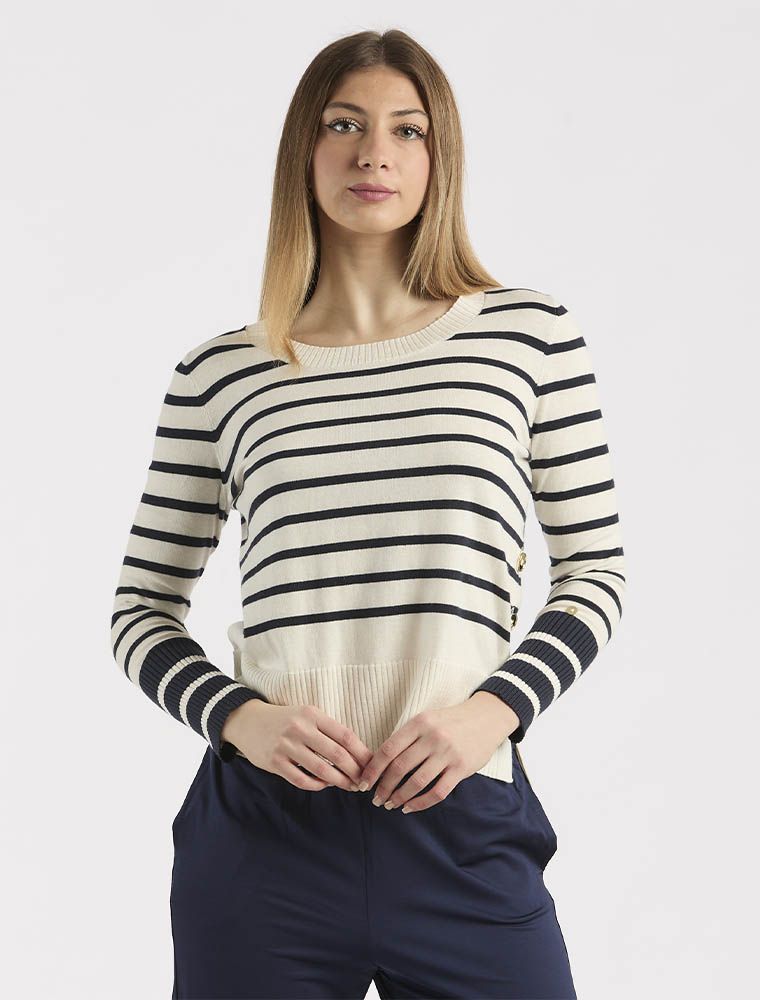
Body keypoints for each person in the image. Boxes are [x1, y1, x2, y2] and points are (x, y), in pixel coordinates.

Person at [110, 27, 626, 1000]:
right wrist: (240, 719)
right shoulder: (220, 374)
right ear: (303, 149)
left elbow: (596, 574)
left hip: (462, 825)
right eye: (343, 124)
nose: (373, 154)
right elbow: (140, 609)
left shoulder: (526, 336)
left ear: (439, 156)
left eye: (406, 129)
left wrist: (489, 713)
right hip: (263, 839)